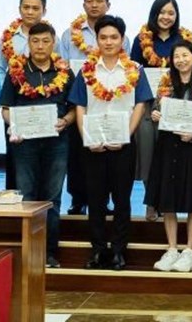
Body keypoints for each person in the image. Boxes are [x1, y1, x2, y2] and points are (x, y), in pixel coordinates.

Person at [69, 15, 153, 271]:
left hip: (123, 145)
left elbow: (141, 104)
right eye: (103, 37)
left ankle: (118, 250)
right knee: (95, 199)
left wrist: (127, 134)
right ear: (96, 39)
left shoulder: (135, 69)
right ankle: (97, 250)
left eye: (113, 37)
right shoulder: (86, 70)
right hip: (93, 146)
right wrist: (87, 138)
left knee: (122, 199)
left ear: (122, 40)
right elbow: (80, 106)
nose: (108, 42)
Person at [0, 22, 74, 269]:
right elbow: (6, 109)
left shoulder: (65, 71)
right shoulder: (16, 71)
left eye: (45, 41)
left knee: (52, 198)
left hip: (57, 142)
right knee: (27, 197)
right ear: (28, 43)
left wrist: (65, 121)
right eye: (35, 41)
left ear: (53, 43)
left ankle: (50, 253)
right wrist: (15, 126)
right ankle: (28, 253)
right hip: (25, 145)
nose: (40, 46)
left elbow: (74, 109)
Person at [59, 0, 131, 215]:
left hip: (112, 100)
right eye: (90, 0)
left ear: (108, 4)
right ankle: (77, 199)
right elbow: (61, 65)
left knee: (110, 159)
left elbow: (125, 65)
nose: (94, 4)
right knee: (79, 154)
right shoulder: (69, 35)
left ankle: (104, 201)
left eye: (99, 0)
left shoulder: (120, 36)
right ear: (83, 5)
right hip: (79, 97)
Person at [147, 40, 192, 272]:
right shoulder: (166, 82)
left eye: (185, 55)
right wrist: (156, 114)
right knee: (168, 200)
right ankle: (171, 249)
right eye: (177, 56)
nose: (181, 60)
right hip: (168, 146)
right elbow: (157, 109)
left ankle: (189, 251)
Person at [130, 0, 192, 220]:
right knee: (148, 152)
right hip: (147, 106)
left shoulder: (184, 39)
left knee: (170, 155)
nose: (166, 17)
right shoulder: (141, 40)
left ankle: (167, 202)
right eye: (162, 12)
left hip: (176, 105)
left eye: (171, 13)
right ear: (154, 13)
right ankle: (150, 201)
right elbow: (133, 72)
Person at [0, 0, 59, 189]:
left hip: (45, 107)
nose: (30, 12)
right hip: (17, 106)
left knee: (45, 166)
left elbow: (59, 68)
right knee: (16, 161)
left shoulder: (50, 38)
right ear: (19, 9)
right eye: (26, 7)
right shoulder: (8, 37)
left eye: (35, 8)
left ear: (44, 11)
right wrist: (8, 91)